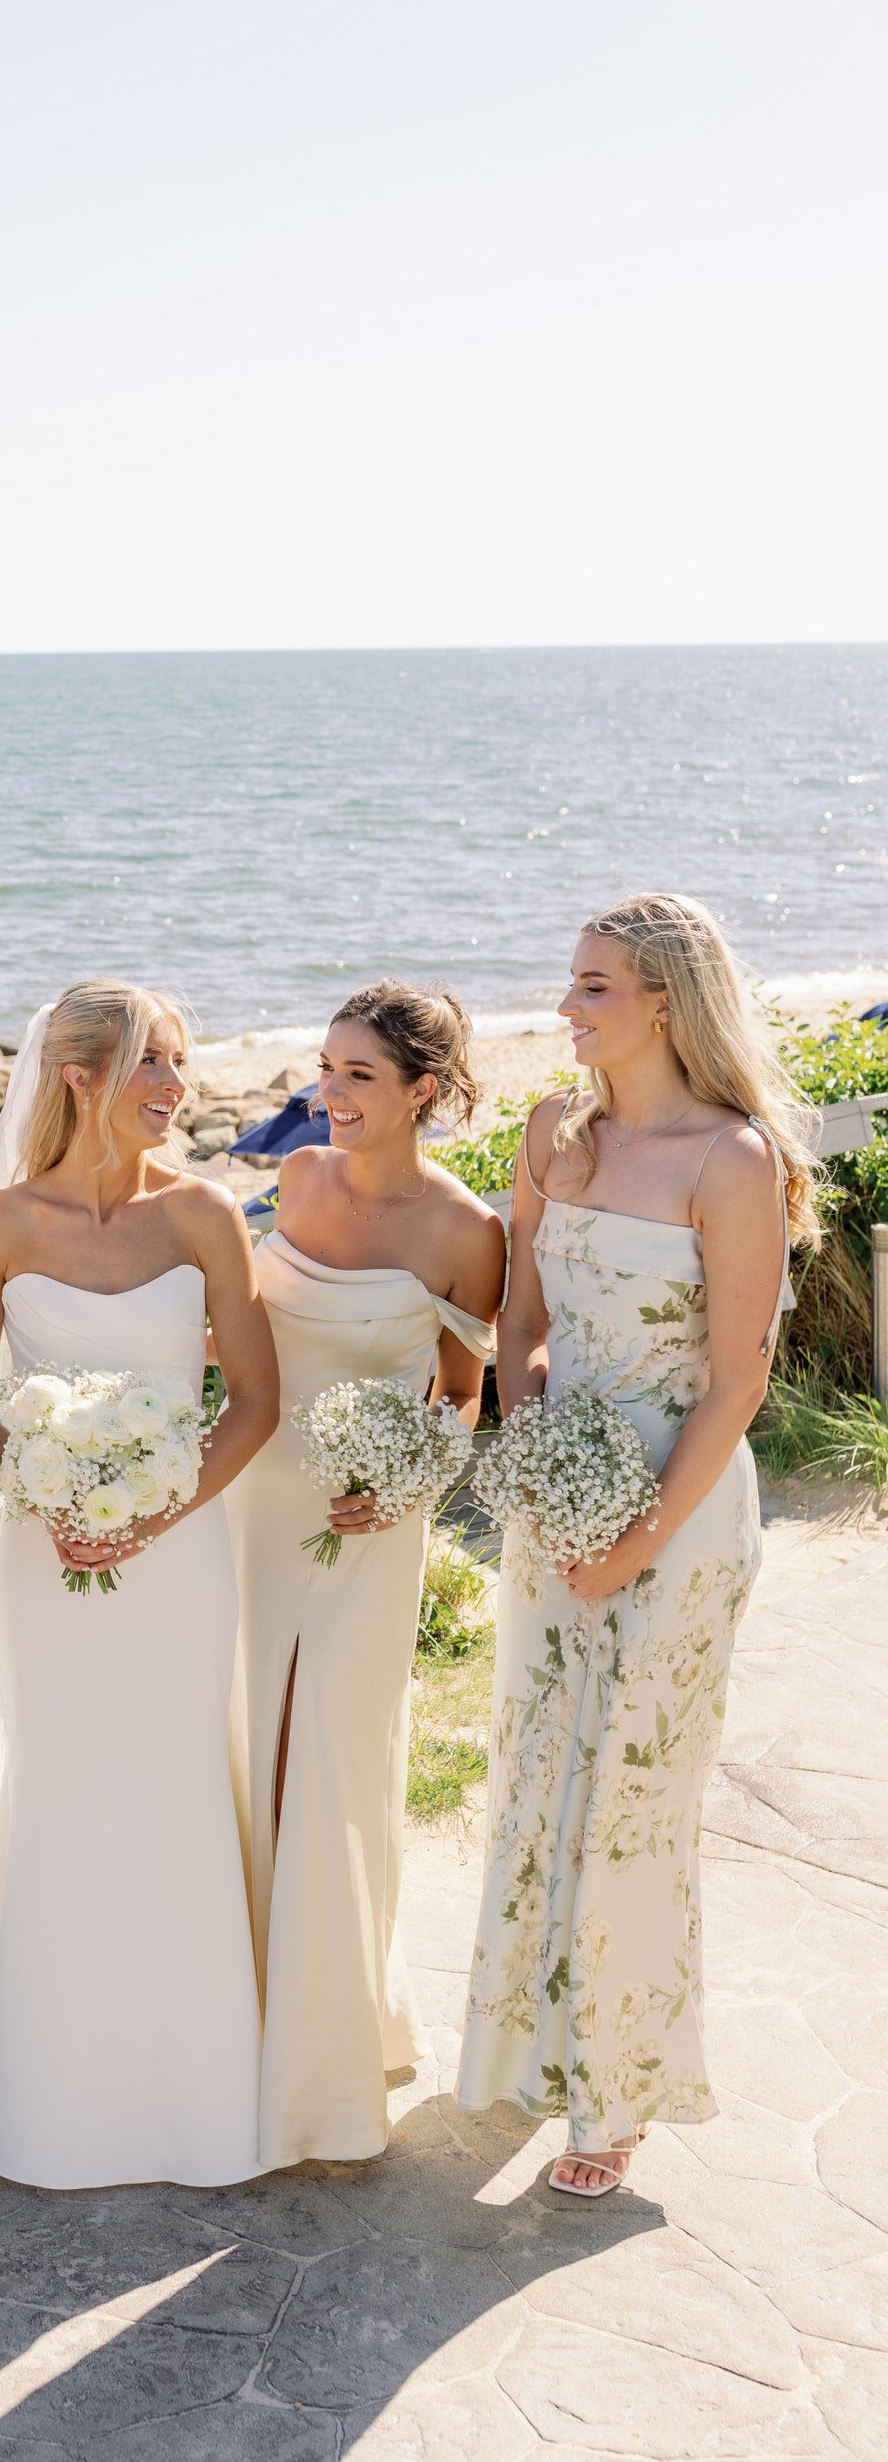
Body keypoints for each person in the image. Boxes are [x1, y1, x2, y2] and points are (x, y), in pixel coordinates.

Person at [457, 894, 816, 2197]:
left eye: (593, 986)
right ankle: (525, 2056)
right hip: (560, 1501)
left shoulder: (732, 1159)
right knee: (539, 1772)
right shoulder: (553, 1131)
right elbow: (520, 1319)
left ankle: (615, 2093)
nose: (566, 1006)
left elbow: (737, 1381)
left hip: (684, 1513)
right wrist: (542, 1464)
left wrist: (633, 1536)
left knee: (633, 1798)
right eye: (571, 982)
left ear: (666, 1000)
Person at [0, 980, 279, 2190]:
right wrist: (50, 1499)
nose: (175, 1086)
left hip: (179, 1560)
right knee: (69, 1782)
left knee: (172, 1784)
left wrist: (151, 1511)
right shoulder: (0, 1221)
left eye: (179, 1063)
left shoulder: (204, 1213)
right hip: (48, 1559)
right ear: (79, 1074)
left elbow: (254, 1402)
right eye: (152, 1061)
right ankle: (57, 2096)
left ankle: (194, 2098)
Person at [225, 982, 505, 2171]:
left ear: (421, 1091)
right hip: (255, 1506)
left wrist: (408, 1484)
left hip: (368, 1525)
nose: (327, 1093)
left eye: (357, 1075)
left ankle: (330, 2056)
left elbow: (464, 1392)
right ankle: (244, 2016)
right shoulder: (296, 1179)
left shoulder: (465, 1231)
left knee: (333, 1757)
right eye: (324, 1066)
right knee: (252, 1744)